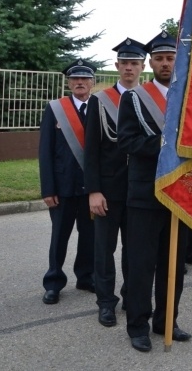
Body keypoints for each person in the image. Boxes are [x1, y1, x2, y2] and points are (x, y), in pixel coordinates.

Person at [117, 31, 190, 352]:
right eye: (159, 58)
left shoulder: (190, 99)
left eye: (170, 58)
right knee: (142, 264)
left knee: (173, 263)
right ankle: (138, 325)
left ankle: (166, 320)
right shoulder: (134, 97)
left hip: (181, 195)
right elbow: (128, 141)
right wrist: (166, 145)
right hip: (145, 195)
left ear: (177, 61)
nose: (164, 63)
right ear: (150, 62)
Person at [84, 38, 146, 327]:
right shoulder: (100, 100)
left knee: (135, 250)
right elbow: (92, 150)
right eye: (125, 63)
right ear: (117, 66)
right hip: (108, 189)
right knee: (104, 249)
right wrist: (94, 190)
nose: (130, 68)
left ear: (142, 67)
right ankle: (106, 302)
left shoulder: (150, 100)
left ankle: (131, 296)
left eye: (135, 63)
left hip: (140, 189)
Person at [39, 59, 96, 306]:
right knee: (59, 237)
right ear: (69, 83)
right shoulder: (55, 108)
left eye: (84, 79)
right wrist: (48, 189)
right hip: (62, 189)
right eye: (75, 79)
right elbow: (45, 151)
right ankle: (53, 283)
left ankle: (85, 277)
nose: (79, 83)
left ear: (92, 82)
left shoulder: (99, 107)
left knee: (89, 237)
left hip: (90, 189)